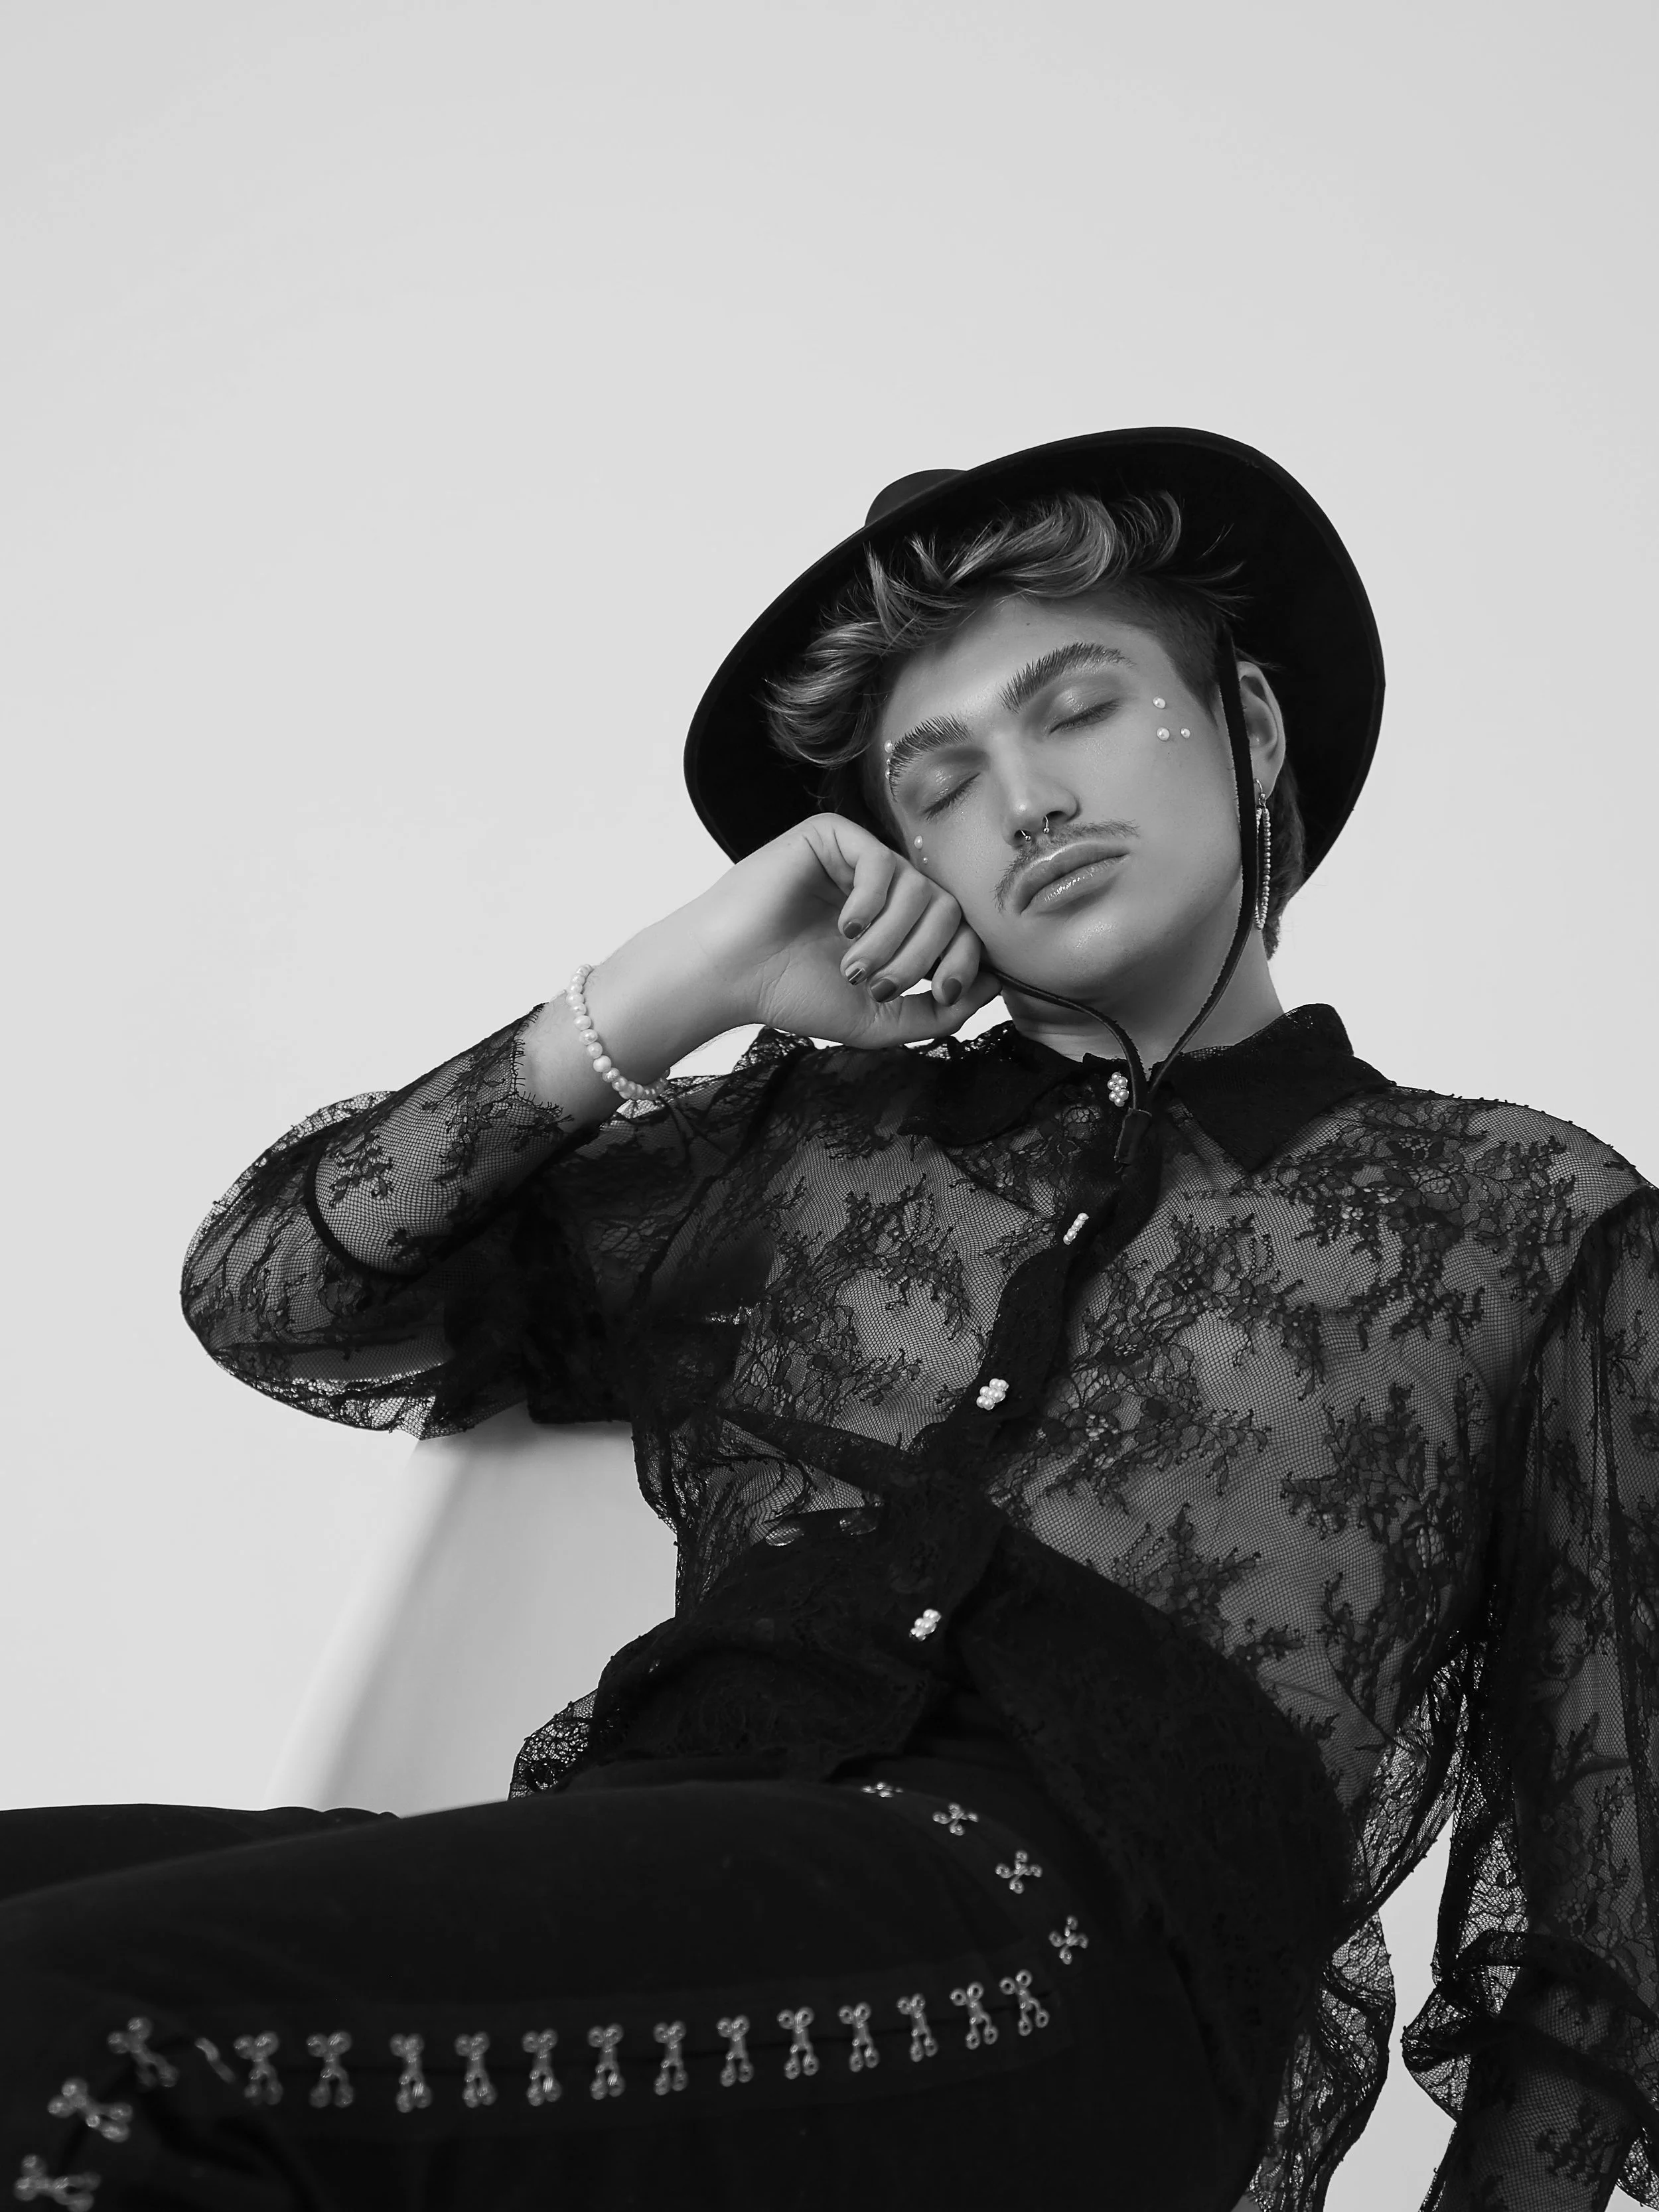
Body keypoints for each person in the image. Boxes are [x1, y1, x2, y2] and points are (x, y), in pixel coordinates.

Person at [3, 429, 1656, 2212]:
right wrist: (684, 978)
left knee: (67, 2021)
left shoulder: (1511, 1215)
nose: (1026, 801)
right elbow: (278, 1294)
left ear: (1244, 724)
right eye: (939, 780)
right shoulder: (803, 1147)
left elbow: (1599, 1924)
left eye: (1079, 706)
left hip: (1067, 1970)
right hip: (684, 1887)